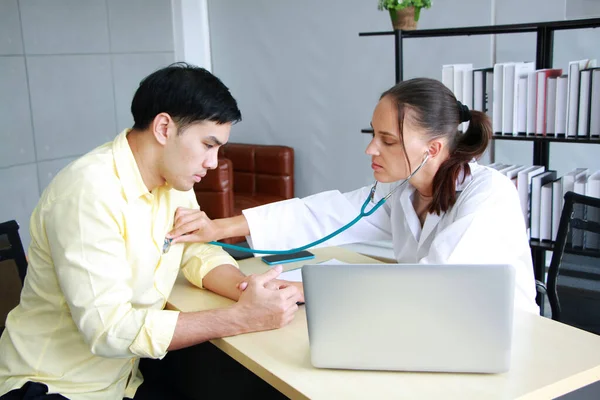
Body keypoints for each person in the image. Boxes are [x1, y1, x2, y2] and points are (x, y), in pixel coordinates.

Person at [0, 63, 302, 400]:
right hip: (53, 387)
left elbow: (194, 248)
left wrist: (248, 289)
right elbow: (109, 331)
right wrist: (240, 318)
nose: (214, 163)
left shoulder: (174, 179)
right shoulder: (88, 192)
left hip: (125, 379)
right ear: (163, 128)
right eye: (207, 145)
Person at [167, 77, 539, 315]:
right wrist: (218, 227)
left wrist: (306, 288)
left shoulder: (488, 196)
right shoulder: (403, 189)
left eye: (388, 141)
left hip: (501, 334)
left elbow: (434, 283)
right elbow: (325, 213)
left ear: (433, 148)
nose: (371, 150)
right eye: (373, 135)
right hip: (431, 323)